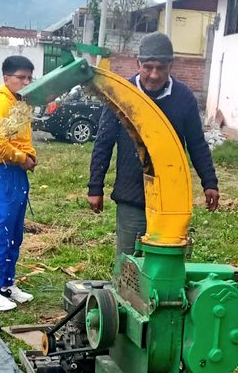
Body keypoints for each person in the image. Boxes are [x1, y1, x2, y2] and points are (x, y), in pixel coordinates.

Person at [87, 32, 220, 256]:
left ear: (171, 65)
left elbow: (197, 143)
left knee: (166, 260)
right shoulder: (122, 95)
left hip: (171, 197)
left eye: (161, 68)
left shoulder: (184, 97)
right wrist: (95, 187)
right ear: (138, 63)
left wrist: (210, 182)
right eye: (148, 67)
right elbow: (104, 142)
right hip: (132, 195)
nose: (154, 75)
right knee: (129, 260)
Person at [0, 55, 37, 312]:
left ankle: (6, 285)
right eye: (20, 78)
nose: (26, 82)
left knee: (15, 233)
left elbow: (23, 139)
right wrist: (22, 158)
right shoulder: (0, 105)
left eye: (29, 78)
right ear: (6, 79)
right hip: (1, 173)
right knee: (1, 232)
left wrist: (30, 155)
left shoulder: (19, 105)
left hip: (17, 174)